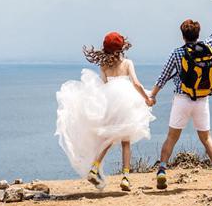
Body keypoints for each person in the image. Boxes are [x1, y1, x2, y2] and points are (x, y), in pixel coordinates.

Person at [149, 0, 212, 190]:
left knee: (171, 137)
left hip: (182, 99)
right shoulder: (208, 46)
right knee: (206, 138)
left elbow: (163, 77)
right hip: (202, 100)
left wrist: (152, 95)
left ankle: (162, 170)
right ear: (197, 33)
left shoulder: (177, 53)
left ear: (183, 35)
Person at [55, 32, 154, 192]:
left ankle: (94, 168)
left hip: (110, 102)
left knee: (109, 137)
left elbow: (102, 87)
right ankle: (126, 178)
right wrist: (147, 99)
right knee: (125, 141)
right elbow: (136, 83)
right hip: (127, 102)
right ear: (122, 47)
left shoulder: (104, 66)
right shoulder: (127, 63)